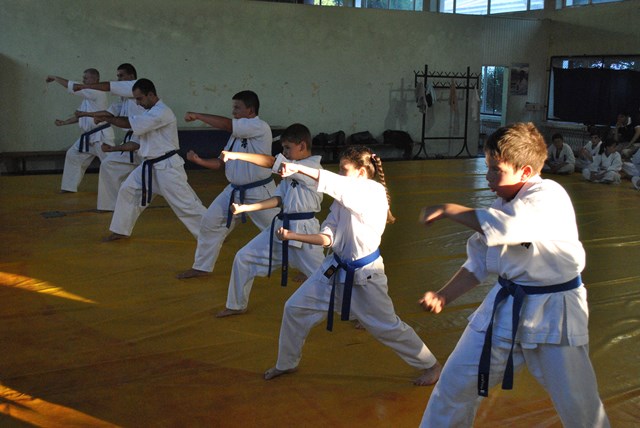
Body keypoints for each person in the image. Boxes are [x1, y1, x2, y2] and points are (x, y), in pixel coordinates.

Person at [417, 122, 609, 427]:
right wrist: (444, 295)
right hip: (505, 306)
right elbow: (479, 262)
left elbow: (507, 227)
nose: (488, 177)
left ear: (526, 172)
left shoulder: (549, 196)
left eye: (497, 170)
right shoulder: (503, 204)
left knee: (579, 405)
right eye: (488, 168)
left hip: (554, 312)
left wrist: (450, 209)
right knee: (453, 386)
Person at [263, 146, 441, 386]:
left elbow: (333, 183)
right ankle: (286, 363)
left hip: (365, 277)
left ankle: (431, 365)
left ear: (361, 173)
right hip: (333, 269)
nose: (339, 174)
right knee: (294, 308)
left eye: (344, 169)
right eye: (339, 169)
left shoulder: (372, 192)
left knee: (387, 327)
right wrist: (294, 236)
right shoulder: (343, 198)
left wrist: (296, 167)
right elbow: (329, 236)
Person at [215, 123, 325, 317]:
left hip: (304, 233)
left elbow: (270, 162)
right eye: (283, 148)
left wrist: (236, 155)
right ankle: (236, 305)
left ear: (302, 146)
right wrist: (247, 208)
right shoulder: (291, 171)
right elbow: (278, 199)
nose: (285, 153)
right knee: (244, 257)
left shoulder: (311, 167)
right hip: (280, 228)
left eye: (288, 148)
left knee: (327, 277)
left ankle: (359, 314)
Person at [176, 91, 279, 279]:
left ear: (250, 110)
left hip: (260, 191)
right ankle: (202, 267)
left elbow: (226, 124)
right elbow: (221, 163)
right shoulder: (236, 136)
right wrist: (199, 161)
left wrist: (198, 115)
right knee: (210, 222)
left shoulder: (259, 127)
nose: (233, 112)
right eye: (233, 108)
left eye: (237, 108)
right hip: (233, 191)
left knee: (279, 230)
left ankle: (310, 267)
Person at [99, 78, 206, 240]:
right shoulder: (147, 114)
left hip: (167, 167)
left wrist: (106, 117)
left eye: (139, 98)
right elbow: (137, 142)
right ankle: (120, 230)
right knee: (128, 190)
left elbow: (128, 123)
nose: (137, 103)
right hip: (148, 165)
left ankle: (212, 232)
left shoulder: (162, 112)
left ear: (150, 94)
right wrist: (113, 148)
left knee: (185, 204)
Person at [74, 63, 144, 211]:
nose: (118, 79)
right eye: (117, 76)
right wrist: (88, 114)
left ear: (131, 76)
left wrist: (84, 86)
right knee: (108, 164)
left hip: (146, 142)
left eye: (121, 76)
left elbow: (108, 87)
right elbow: (109, 112)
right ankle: (110, 205)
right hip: (132, 140)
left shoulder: (135, 87)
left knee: (161, 180)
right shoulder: (123, 98)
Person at [46, 69, 115, 193]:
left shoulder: (97, 92)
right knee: (73, 155)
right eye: (83, 78)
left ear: (96, 79)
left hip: (101, 136)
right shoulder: (87, 99)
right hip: (88, 137)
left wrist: (55, 78)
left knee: (111, 163)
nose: (83, 80)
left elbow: (74, 87)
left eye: (86, 78)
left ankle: (122, 188)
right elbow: (80, 116)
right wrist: (64, 122)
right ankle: (69, 187)